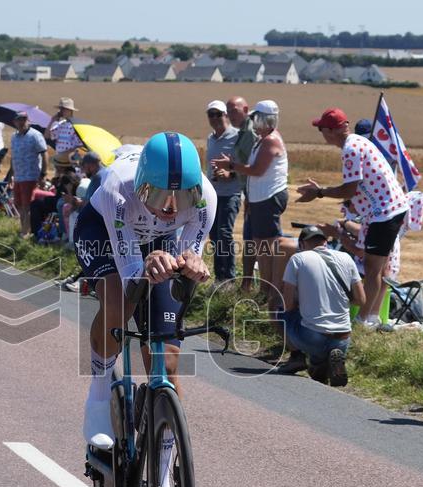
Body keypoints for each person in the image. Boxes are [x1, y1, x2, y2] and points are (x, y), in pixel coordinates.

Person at [74, 132, 217, 449]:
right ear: (141, 185)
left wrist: (191, 264)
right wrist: (147, 264)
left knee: (165, 361)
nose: (169, 208)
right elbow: (130, 275)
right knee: (117, 302)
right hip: (103, 232)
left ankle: (166, 464)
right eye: (158, 195)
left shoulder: (206, 197)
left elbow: (188, 256)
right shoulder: (118, 187)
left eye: (180, 199)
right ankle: (98, 395)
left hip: (158, 241)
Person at [296, 107, 410, 328]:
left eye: (321, 129)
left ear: (331, 131)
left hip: (385, 211)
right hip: (387, 209)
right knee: (376, 267)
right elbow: (357, 189)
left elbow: (349, 189)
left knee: (373, 267)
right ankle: (372, 317)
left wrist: (319, 192)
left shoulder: (351, 148)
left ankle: (363, 320)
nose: (321, 134)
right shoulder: (357, 142)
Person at [211, 100, 289, 324]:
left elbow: (257, 170)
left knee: (267, 248)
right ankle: (265, 291)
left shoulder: (270, 140)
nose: (253, 122)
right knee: (260, 246)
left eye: (256, 118)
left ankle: (269, 293)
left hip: (267, 199)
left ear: (266, 119)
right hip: (259, 200)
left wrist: (232, 166)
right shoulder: (263, 140)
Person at [278, 225, 365, 386]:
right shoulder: (346, 258)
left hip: (312, 337)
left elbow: (287, 304)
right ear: (326, 242)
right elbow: (360, 300)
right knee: (319, 363)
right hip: (343, 336)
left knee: (280, 309)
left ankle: (297, 357)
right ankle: (326, 361)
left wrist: (300, 302)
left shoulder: (298, 259)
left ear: (302, 244)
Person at [204, 100, 241, 282]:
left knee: (225, 233)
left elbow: (246, 166)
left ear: (226, 115)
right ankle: (220, 278)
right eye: (211, 114)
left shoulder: (237, 137)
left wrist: (230, 173)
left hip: (231, 193)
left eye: (218, 114)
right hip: (213, 194)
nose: (215, 118)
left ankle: (230, 278)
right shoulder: (210, 138)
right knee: (214, 236)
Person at [226, 96, 257, 292]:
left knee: (254, 239)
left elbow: (255, 167)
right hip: (249, 190)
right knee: (250, 238)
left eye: (234, 111)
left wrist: (230, 168)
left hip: (256, 191)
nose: (230, 116)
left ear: (245, 109)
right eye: (228, 112)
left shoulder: (252, 132)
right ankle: (248, 282)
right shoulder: (243, 131)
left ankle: (249, 284)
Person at [10, 111, 48, 237]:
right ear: (15, 122)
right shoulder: (14, 137)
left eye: (24, 119)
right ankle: (25, 228)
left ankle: (25, 232)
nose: (21, 122)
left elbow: (44, 153)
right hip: (18, 176)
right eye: (19, 120)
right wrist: (11, 174)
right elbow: (13, 157)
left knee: (27, 206)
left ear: (28, 121)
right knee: (18, 204)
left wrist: (43, 174)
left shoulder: (35, 135)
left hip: (30, 176)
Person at [45, 97, 84, 173]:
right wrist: (52, 120)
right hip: (60, 162)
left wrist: (65, 155)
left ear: (70, 111)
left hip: (71, 162)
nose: (61, 111)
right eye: (61, 109)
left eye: (64, 109)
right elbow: (47, 136)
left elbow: (79, 146)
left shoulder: (75, 126)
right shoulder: (60, 124)